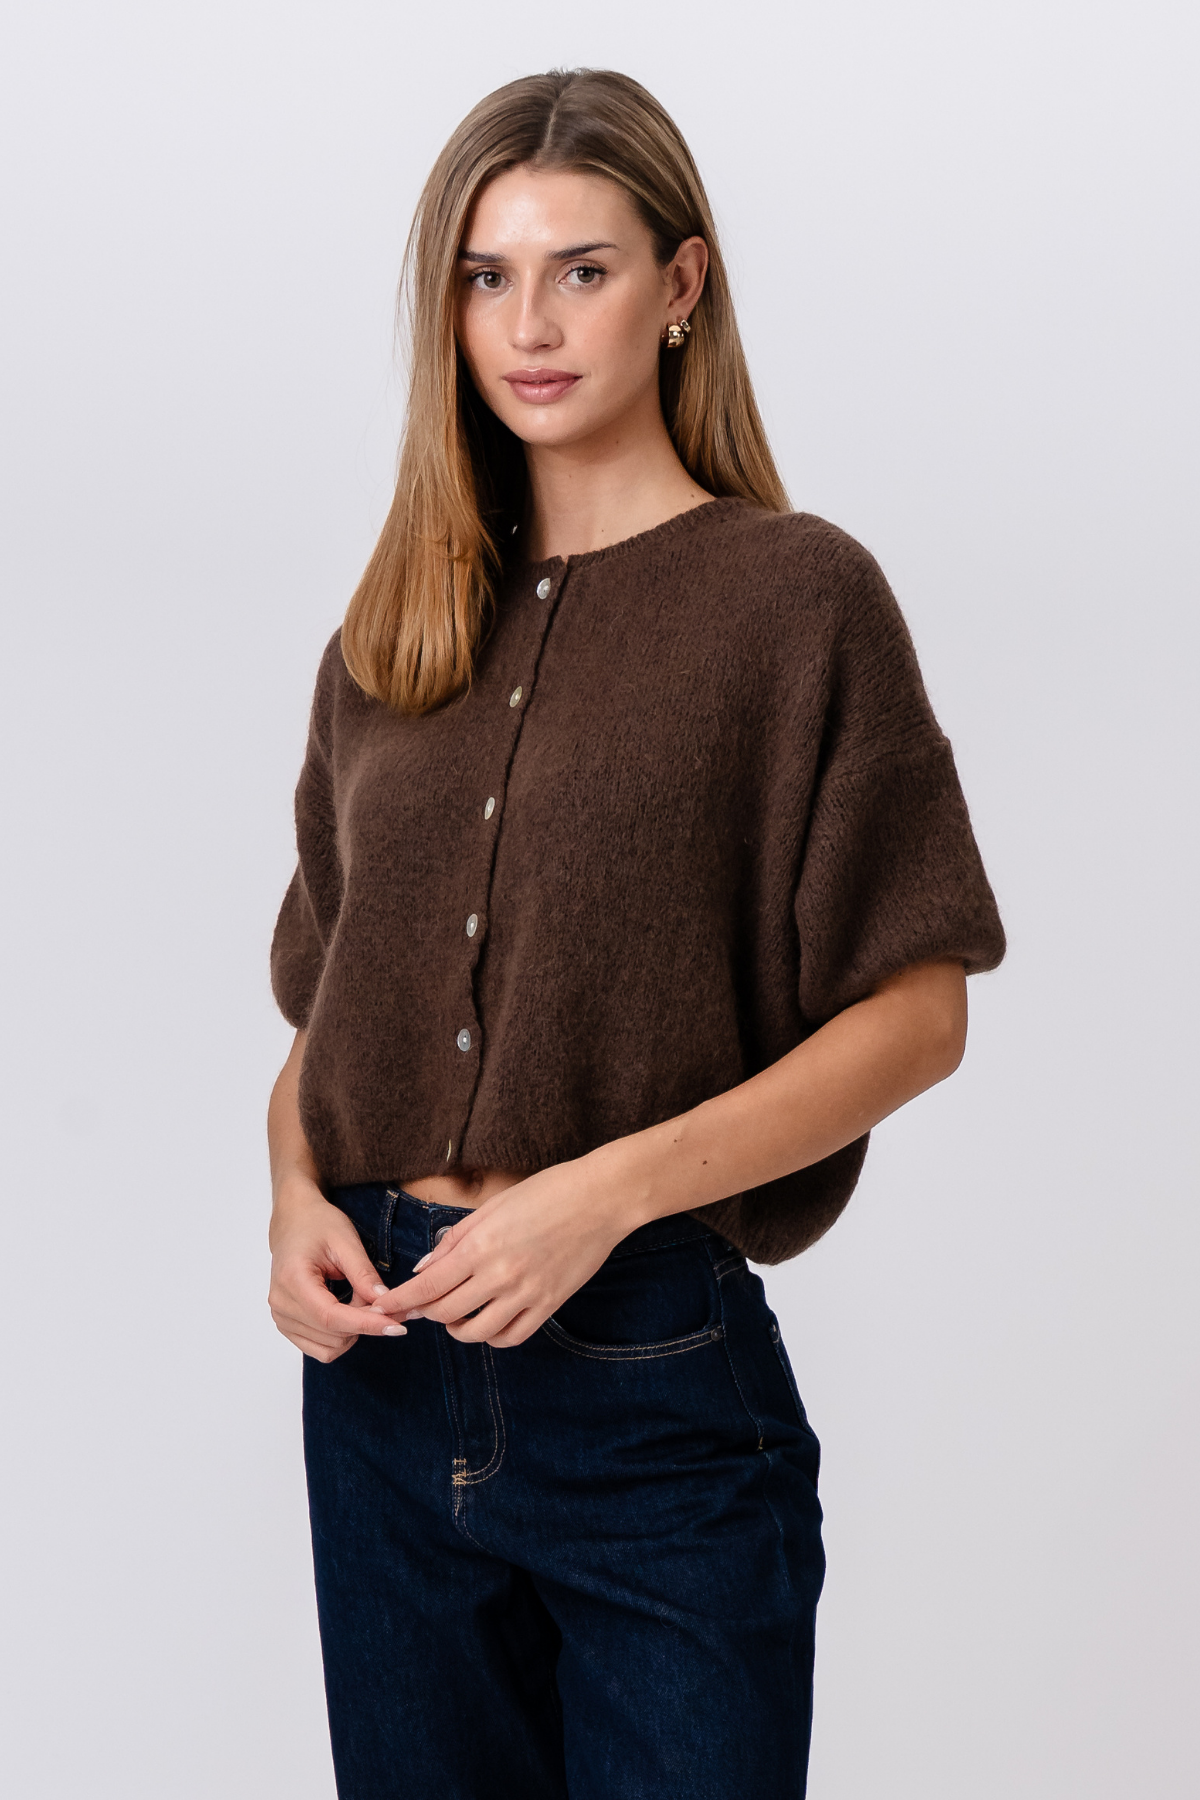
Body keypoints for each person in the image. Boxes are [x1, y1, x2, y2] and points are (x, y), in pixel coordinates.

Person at [266, 67, 1005, 1800]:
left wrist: (604, 1193)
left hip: (649, 1378)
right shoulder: (392, 633)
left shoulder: (796, 598)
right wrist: (293, 1199)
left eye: (580, 271)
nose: (528, 325)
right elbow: (325, 1018)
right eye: (485, 277)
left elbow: (920, 1013)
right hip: (378, 1389)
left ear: (681, 285)